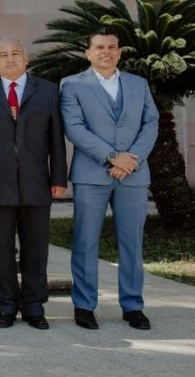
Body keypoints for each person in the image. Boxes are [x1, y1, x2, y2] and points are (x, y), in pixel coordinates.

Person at [61, 26, 158, 331]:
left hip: (134, 173)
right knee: (86, 241)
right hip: (92, 174)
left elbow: (151, 123)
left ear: (119, 51)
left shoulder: (138, 84)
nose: (106, 52)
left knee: (132, 243)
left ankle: (132, 306)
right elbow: (74, 128)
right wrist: (112, 156)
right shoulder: (72, 85)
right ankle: (85, 306)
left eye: (112, 47)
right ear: (88, 52)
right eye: (100, 47)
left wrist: (131, 160)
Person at [0, 38, 67, 330]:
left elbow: (56, 139)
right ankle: (4, 305)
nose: (10, 59)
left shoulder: (48, 90)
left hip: (37, 183)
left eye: (16, 54)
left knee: (35, 248)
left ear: (27, 59)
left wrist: (58, 178)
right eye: (3, 55)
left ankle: (33, 306)